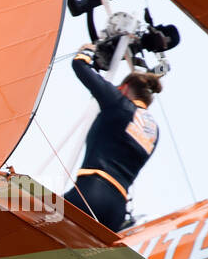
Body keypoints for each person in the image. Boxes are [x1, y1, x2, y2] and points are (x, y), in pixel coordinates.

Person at [63, 44, 162, 231]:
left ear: (124, 88)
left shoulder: (119, 102)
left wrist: (87, 51)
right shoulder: (153, 130)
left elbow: (80, 66)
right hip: (116, 210)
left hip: (91, 192)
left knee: (28, 232)